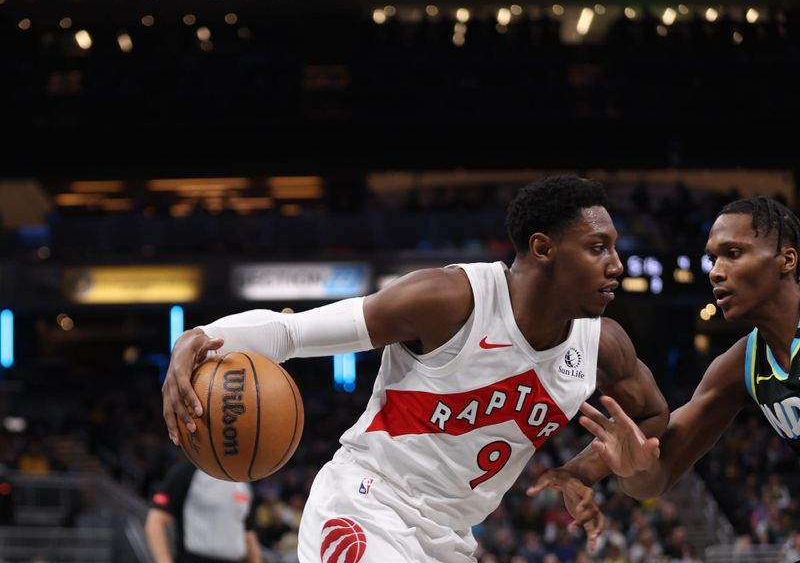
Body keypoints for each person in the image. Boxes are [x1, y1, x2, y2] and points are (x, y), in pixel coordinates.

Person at [162, 175, 669, 562]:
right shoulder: (449, 300)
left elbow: (653, 416)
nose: (617, 264)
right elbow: (294, 334)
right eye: (598, 247)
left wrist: (585, 469)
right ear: (543, 248)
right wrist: (201, 338)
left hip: (450, 540)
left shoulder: (604, 346)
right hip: (364, 508)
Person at [578, 195, 800, 499]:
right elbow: (657, 477)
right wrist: (633, 467)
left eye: (733, 253)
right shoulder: (742, 364)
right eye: (712, 259)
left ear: (787, 260)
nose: (715, 272)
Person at [144, 457, 263, 563]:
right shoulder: (187, 471)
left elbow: (248, 534)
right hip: (193, 558)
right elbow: (155, 521)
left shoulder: (243, 482)